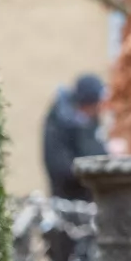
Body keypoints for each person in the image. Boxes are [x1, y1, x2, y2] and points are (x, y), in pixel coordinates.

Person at [41, 72, 107, 203]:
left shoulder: (88, 121)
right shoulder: (60, 124)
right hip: (70, 202)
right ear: (87, 103)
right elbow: (62, 169)